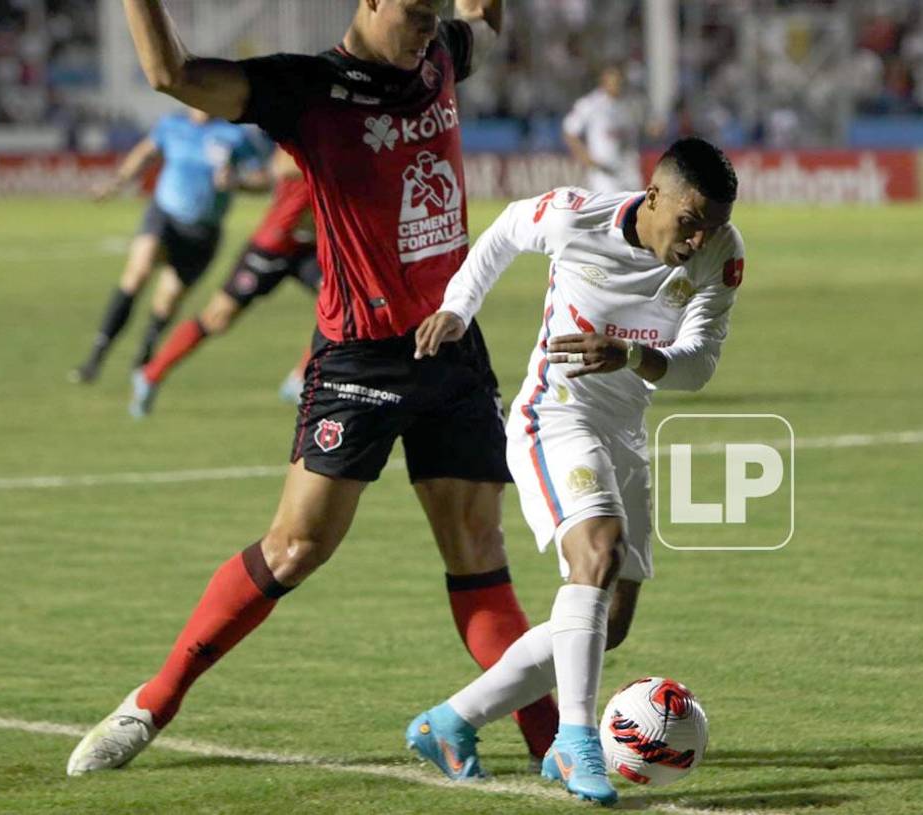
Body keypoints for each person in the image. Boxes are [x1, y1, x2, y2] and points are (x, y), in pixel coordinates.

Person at [67, 0, 561, 777]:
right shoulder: (308, 89)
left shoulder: (438, 54)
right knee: (295, 548)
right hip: (359, 360)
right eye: (415, 11)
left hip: (452, 346)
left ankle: (558, 743)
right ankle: (152, 702)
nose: (428, 27)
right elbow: (171, 75)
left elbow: (484, 34)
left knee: (478, 548)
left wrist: (480, 9)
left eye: (437, 14)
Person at [406, 137, 743, 804]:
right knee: (597, 550)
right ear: (653, 196)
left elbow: (699, 363)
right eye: (690, 218)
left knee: (608, 621)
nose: (699, 235)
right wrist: (456, 307)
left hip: (623, 429)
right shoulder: (574, 217)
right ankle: (574, 741)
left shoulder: (720, 252)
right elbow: (504, 231)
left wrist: (631, 358)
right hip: (553, 415)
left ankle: (450, 723)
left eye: (713, 223)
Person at [69, 107, 268, 384]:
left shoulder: (233, 135)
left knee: (168, 299)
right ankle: (95, 358)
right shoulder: (172, 125)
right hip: (164, 215)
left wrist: (238, 182)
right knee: (137, 273)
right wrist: (117, 182)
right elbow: (145, 153)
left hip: (202, 231)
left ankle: (144, 353)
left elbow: (263, 180)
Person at [129, 148, 319, 418]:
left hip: (312, 249)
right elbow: (282, 167)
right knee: (217, 318)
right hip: (273, 244)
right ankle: (150, 374)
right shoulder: (309, 136)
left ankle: (300, 378)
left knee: (345, 306)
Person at [562, 65, 645, 195]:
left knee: (636, 210)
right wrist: (586, 158)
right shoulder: (590, 104)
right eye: (613, 82)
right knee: (611, 212)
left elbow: (641, 129)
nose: (617, 85)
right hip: (604, 172)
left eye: (619, 81)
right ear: (604, 82)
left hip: (629, 169)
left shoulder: (630, 103)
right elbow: (569, 131)